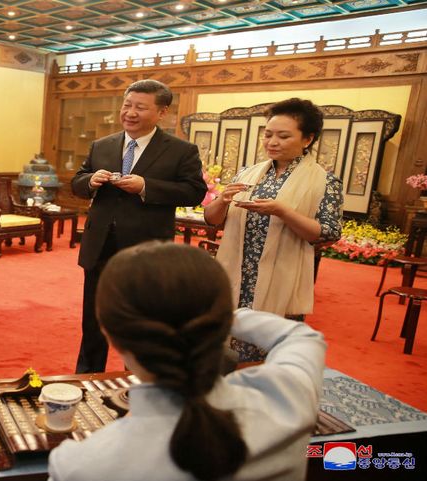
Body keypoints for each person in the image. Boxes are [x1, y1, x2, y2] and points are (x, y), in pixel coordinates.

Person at [48, 242, 327, 481]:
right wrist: (221, 317)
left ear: (109, 331)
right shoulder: (288, 399)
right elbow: (300, 336)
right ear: (220, 320)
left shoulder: (81, 466)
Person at [71, 79, 207, 373]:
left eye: (140, 107)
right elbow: (78, 181)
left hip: (147, 251)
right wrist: (90, 181)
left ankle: (137, 380)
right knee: (93, 320)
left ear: (162, 112)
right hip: (100, 246)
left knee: (142, 321)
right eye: (127, 105)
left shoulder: (181, 151)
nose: (130, 113)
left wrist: (147, 186)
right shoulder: (103, 144)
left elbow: (194, 191)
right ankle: (86, 376)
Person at [204, 98, 343, 362]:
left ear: (307, 139)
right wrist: (222, 200)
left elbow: (328, 232)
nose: (272, 142)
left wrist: (284, 212)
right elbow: (212, 220)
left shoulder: (325, 182)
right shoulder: (248, 173)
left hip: (282, 276)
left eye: (283, 136)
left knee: (266, 351)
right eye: (267, 134)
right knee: (224, 346)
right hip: (238, 271)